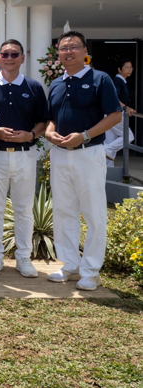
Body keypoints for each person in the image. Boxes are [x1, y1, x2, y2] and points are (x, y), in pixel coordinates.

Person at [45, 31, 121, 291]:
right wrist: (48, 131)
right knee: (64, 212)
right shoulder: (56, 83)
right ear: (58, 53)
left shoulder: (100, 79)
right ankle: (70, 265)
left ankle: (90, 271)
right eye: (63, 47)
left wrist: (85, 135)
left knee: (94, 213)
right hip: (59, 155)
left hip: (89, 154)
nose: (68, 51)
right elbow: (52, 117)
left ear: (84, 50)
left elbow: (115, 115)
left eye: (73, 47)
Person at [0, 39, 49, 278]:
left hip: (25, 156)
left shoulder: (33, 87)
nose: (9, 58)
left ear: (22, 58)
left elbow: (43, 120)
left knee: (24, 209)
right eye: (5, 54)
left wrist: (31, 134)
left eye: (14, 54)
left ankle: (23, 258)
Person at [104, 58, 136, 167]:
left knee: (111, 142)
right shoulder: (117, 81)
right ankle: (103, 150)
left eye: (131, 67)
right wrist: (126, 107)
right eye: (126, 67)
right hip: (115, 113)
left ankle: (108, 170)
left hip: (110, 113)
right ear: (119, 69)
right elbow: (114, 97)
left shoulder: (122, 81)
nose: (129, 69)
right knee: (129, 137)